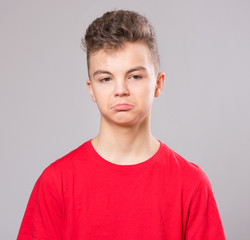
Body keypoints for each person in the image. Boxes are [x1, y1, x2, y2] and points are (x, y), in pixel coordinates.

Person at [17, 10, 226, 240]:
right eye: (106, 79)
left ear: (158, 83)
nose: (120, 90)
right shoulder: (56, 183)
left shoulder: (191, 184)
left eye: (134, 76)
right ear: (91, 90)